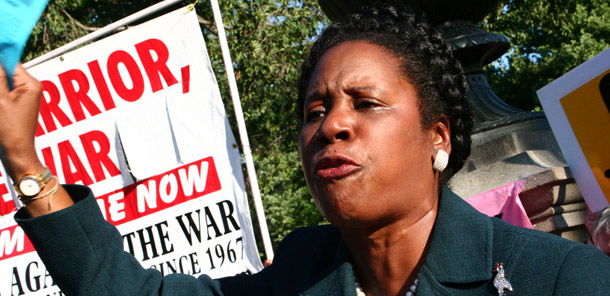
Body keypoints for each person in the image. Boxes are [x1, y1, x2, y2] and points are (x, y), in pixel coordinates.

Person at [1, 4, 610, 295]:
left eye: (365, 103)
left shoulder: (559, 278)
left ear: (439, 137)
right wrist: (24, 163)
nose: (331, 127)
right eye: (314, 111)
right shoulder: (298, 278)